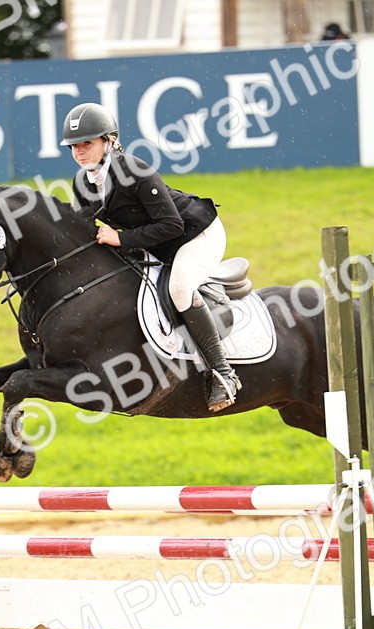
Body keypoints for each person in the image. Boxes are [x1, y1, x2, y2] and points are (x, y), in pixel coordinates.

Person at [61, 102, 241, 412]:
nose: (79, 151)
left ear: (109, 141)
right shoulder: (83, 183)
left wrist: (121, 238)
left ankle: (224, 374)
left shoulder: (134, 170)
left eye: (86, 143)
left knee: (179, 288)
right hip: (158, 243)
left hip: (197, 234)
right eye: (73, 146)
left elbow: (173, 225)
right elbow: (85, 228)